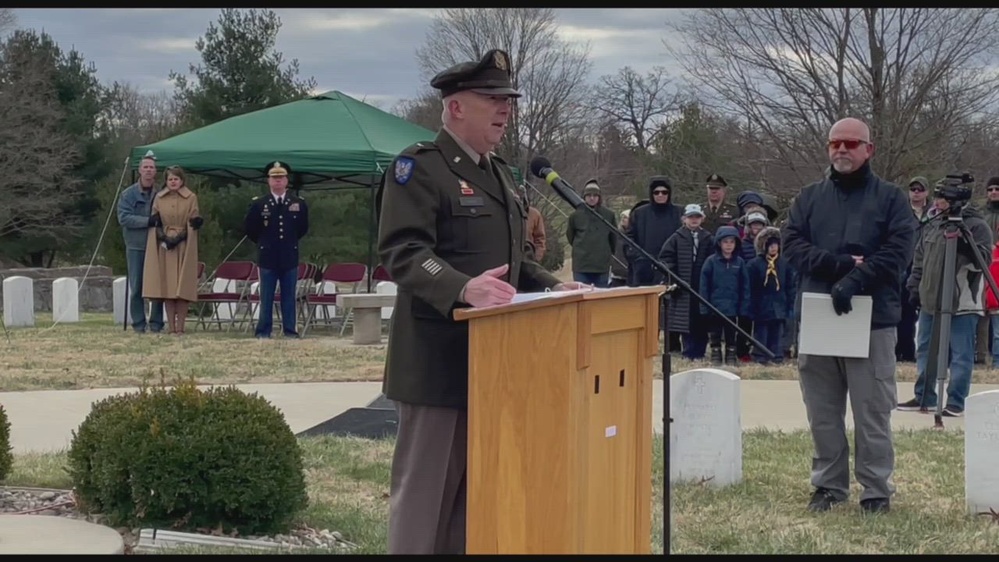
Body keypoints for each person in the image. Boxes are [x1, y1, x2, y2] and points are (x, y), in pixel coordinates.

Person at [375, 48, 586, 555]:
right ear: (454, 108)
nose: (504, 109)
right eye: (491, 98)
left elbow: (509, 261)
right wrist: (461, 287)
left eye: (508, 99)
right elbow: (402, 252)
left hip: (495, 366)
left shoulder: (500, 175)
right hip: (438, 363)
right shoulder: (419, 168)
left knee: (477, 505)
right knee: (426, 504)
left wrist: (549, 285)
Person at [782, 117, 915, 514]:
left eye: (851, 143)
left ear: (868, 150)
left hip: (871, 319)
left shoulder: (891, 199)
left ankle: (875, 490)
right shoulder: (809, 197)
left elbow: (899, 252)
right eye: (835, 143)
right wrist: (836, 265)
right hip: (820, 314)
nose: (842, 149)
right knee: (823, 410)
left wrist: (857, 280)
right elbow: (791, 243)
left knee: (871, 410)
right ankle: (828, 486)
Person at [898, 181, 993, 417]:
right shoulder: (933, 224)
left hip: (963, 302)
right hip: (931, 299)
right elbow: (919, 258)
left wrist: (963, 243)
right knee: (925, 349)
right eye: (938, 197)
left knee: (960, 353)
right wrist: (914, 285)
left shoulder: (977, 226)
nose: (938, 202)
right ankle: (925, 396)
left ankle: (956, 401)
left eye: (943, 198)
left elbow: (983, 260)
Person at [243, 161, 310, 339]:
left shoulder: (298, 203)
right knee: (266, 296)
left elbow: (302, 228)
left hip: (289, 255)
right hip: (268, 255)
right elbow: (250, 229)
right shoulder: (259, 204)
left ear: (287, 180)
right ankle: (264, 331)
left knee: (289, 296)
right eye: (274, 178)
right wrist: (264, 242)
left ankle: (290, 330)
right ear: (269, 181)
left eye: (281, 178)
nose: (278, 181)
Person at [142, 166, 203, 335]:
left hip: (184, 244)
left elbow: (193, 220)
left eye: (176, 179)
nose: (173, 182)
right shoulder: (159, 198)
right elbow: (156, 221)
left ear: (182, 180)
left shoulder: (191, 197)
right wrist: (164, 238)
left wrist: (178, 238)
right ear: (166, 181)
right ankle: (171, 326)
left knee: (182, 286)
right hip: (166, 246)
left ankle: (181, 327)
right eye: (170, 179)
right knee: (168, 287)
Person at [116, 151, 165, 333]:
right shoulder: (128, 194)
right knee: (136, 288)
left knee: (157, 287)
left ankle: (157, 323)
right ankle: (138, 324)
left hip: (158, 246)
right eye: (145, 167)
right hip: (136, 246)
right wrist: (147, 221)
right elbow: (124, 218)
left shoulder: (162, 194)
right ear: (139, 170)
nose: (148, 171)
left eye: (151, 168)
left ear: (155, 171)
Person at [660, 203, 714, 360]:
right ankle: (688, 351)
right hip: (683, 287)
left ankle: (700, 351)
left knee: (701, 320)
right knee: (686, 321)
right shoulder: (677, 238)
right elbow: (664, 259)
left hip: (702, 287)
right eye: (691, 217)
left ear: (702, 219)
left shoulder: (708, 238)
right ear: (684, 219)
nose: (694, 220)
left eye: (697, 217)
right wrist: (674, 276)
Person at [743, 226, 795, 364]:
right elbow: (750, 287)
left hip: (779, 303)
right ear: (763, 246)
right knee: (761, 331)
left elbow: (790, 285)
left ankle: (776, 355)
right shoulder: (754, 264)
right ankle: (760, 355)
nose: (773, 248)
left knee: (777, 331)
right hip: (761, 303)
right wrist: (750, 305)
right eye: (769, 245)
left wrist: (790, 304)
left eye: (776, 244)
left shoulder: (784, 264)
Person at [699, 224, 746, 365]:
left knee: (731, 332)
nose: (728, 245)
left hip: (733, 306)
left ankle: (731, 354)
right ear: (719, 243)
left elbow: (745, 286)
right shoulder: (711, 262)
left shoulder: (739, 263)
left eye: (732, 242)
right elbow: (704, 285)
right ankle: (715, 353)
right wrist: (704, 306)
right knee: (715, 332)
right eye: (725, 242)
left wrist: (744, 305)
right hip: (714, 306)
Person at [566, 179, 617, 287]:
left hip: (602, 266)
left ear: (599, 197)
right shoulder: (575, 216)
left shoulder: (609, 215)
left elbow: (614, 239)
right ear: (584, 197)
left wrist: (607, 254)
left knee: (600, 297)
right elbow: (571, 236)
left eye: (595, 195)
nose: (592, 198)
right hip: (581, 266)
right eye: (589, 195)